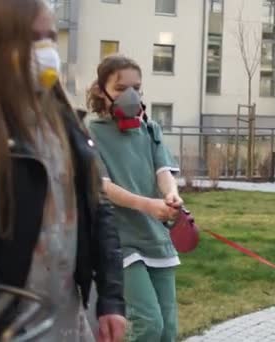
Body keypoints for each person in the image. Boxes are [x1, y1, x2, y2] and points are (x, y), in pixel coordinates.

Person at [0, 0, 127, 341]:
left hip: (66, 323)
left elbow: (97, 209)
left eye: (50, 37)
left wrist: (112, 299)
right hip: (3, 330)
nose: (44, 51)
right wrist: (0, 320)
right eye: (30, 38)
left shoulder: (64, 120)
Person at [86, 55, 183, 342]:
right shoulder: (91, 133)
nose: (130, 95)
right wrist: (148, 205)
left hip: (156, 238)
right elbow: (103, 186)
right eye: (120, 88)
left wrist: (171, 195)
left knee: (168, 329)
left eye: (136, 88)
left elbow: (163, 171)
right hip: (121, 241)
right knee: (149, 324)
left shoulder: (150, 130)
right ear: (99, 91)